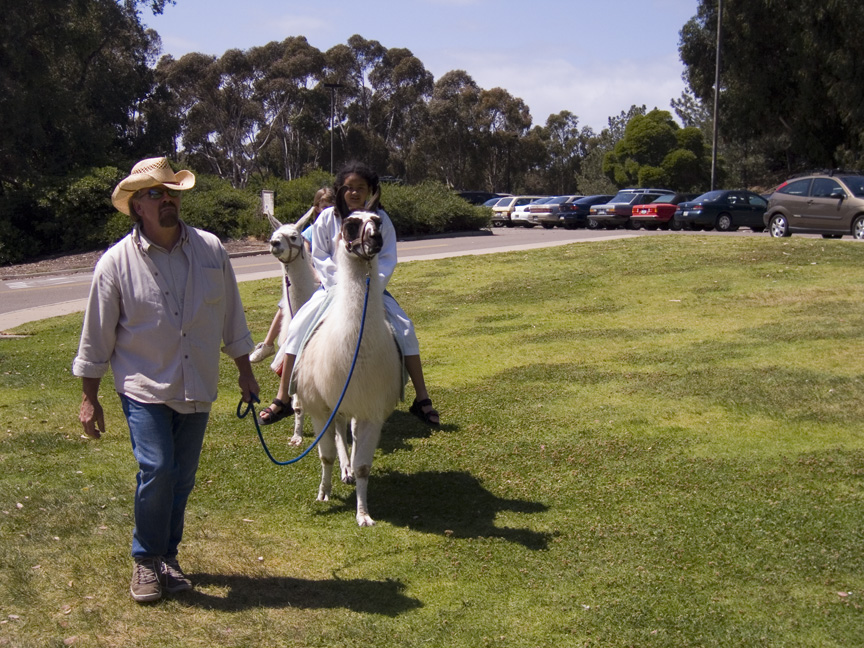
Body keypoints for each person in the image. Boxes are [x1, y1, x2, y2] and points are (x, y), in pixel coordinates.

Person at [71, 157, 259, 603]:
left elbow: (231, 315)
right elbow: (96, 335)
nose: (167, 199)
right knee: (157, 468)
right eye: (155, 193)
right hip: (144, 385)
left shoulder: (211, 249)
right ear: (137, 206)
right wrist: (89, 398)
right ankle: (145, 561)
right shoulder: (115, 263)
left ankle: (168, 559)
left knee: (182, 477)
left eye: (171, 191)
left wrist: (245, 372)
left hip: (197, 382)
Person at [258, 161, 440, 426]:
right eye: (349, 188)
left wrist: (369, 287)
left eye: (360, 188)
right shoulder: (327, 218)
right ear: (340, 189)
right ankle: (284, 396)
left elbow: (387, 258)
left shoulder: (380, 219)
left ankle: (421, 398)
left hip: (372, 290)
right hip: (330, 289)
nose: (354, 193)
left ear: (370, 191)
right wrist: (341, 286)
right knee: (298, 326)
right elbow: (320, 256)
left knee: (405, 329)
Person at [249, 186, 336, 363]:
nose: (325, 210)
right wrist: (315, 274)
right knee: (285, 304)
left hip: (331, 277)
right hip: (312, 277)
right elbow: (305, 252)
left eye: (329, 206)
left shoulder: (337, 228)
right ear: (316, 207)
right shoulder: (310, 231)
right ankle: (268, 344)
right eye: (322, 206)